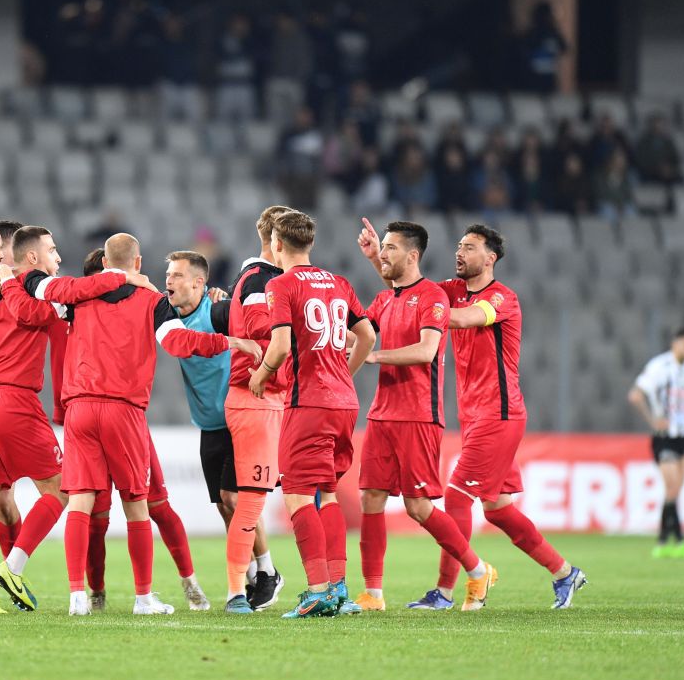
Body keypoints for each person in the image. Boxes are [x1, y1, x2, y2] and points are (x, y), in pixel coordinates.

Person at [26, 232, 260, 616]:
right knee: (137, 505)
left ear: (104, 265)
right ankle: (143, 597)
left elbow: (36, 285)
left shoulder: (77, 297)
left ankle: (77, 597)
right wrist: (230, 343)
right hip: (123, 411)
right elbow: (181, 343)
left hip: (80, 409)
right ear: (138, 264)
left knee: (81, 504)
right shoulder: (152, 303)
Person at [361, 221, 585, 610]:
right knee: (497, 509)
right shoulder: (449, 292)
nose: (459, 253)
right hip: (475, 416)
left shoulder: (502, 299)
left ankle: (448, 591)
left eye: (469, 247)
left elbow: (457, 316)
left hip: (500, 413)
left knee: (456, 497)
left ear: (490, 257)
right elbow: (408, 289)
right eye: (458, 246)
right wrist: (375, 258)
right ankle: (564, 573)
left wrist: (426, 313)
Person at [0, 226, 146, 613]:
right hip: (12, 398)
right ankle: (12, 566)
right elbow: (72, 295)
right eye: (53, 251)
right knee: (63, 489)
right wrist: (123, 276)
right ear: (32, 258)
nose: (59, 258)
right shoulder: (31, 291)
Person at [353, 220, 500, 613]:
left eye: (390, 248)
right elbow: (362, 333)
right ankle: (373, 594)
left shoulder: (434, 297)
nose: (383, 254)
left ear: (413, 255)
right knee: (370, 498)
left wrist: (375, 355)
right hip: (382, 414)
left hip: (418, 415)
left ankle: (476, 569)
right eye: (381, 247)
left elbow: (426, 351)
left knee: (418, 507)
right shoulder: (386, 300)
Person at [248, 210, 376, 618]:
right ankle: (338, 590)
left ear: (278, 245)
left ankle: (318, 589)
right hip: (343, 402)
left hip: (308, 403)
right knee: (330, 493)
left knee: (299, 495)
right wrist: (344, 375)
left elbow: (281, 345)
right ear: (310, 244)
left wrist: (262, 374)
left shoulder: (280, 284)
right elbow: (368, 334)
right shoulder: (338, 282)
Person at [221, 205, 294, 614]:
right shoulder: (262, 283)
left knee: (241, 498)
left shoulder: (251, 279)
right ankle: (238, 591)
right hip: (258, 395)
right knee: (248, 501)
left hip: (257, 398)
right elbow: (270, 340)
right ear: (279, 243)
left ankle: (262, 576)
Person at [161, 250, 239, 612]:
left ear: (199, 283)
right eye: (168, 275)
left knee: (237, 501)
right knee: (224, 507)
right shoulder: (169, 316)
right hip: (207, 423)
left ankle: (261, 571)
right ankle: (256, 570)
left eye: (177, 275)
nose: (169, 281)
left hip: (237, 418)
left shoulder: (219, 311)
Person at [629, 327, 684, 559]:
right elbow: (636, 395)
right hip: (665, 437)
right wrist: (653, 420)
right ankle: (674, 540)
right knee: (671, 488)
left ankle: (667, 541)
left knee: (675, 490)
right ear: (676, 343)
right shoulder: (659, 367)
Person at [266, 12, 312, 126]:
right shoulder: (276, 37)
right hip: (277, 80)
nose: (282, 24)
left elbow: (305, 61)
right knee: (276, 116)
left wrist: (299, 77)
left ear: (292, 21)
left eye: (284, 21)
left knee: (295, 116)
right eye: (280, 21)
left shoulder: (301, 39)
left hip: (294, 81)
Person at [213, 14, 258, 122]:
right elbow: (220, 56)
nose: (239, 26)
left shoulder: (250, 40)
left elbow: (254, 56)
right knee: (223, 119)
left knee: (247, 119)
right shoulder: (223, 39)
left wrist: (244, 37)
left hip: (244, 84)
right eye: (236, 23)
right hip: (226, 84)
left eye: (242, 24)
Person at [522, 0, 566, 93]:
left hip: (549, 77)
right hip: (533, 77)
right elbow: (525, 51)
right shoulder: (532, 33)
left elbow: (564, 48)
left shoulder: (553, 33)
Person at [634, 114, 683, 187]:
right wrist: (658, 168)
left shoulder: (668, 142)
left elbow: (675, 158)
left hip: (667, 173)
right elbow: (641, 160)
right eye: (656, 124)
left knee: (680, 179)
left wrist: (670, 168)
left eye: (661, 124)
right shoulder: (643, 142)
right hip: (651, 173)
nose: (659, 127)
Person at [593, 146, 639, 221]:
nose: (620, 164)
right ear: (611, 161)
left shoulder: (626, 178)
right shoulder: (600, 176)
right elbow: (601, 193)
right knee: (608, 211)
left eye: (622, 161)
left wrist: (621, 205)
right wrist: (615, 205)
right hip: (607, 205)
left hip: (622, 205)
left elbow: (628, 195)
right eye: (618, 160)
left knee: (631, 211)